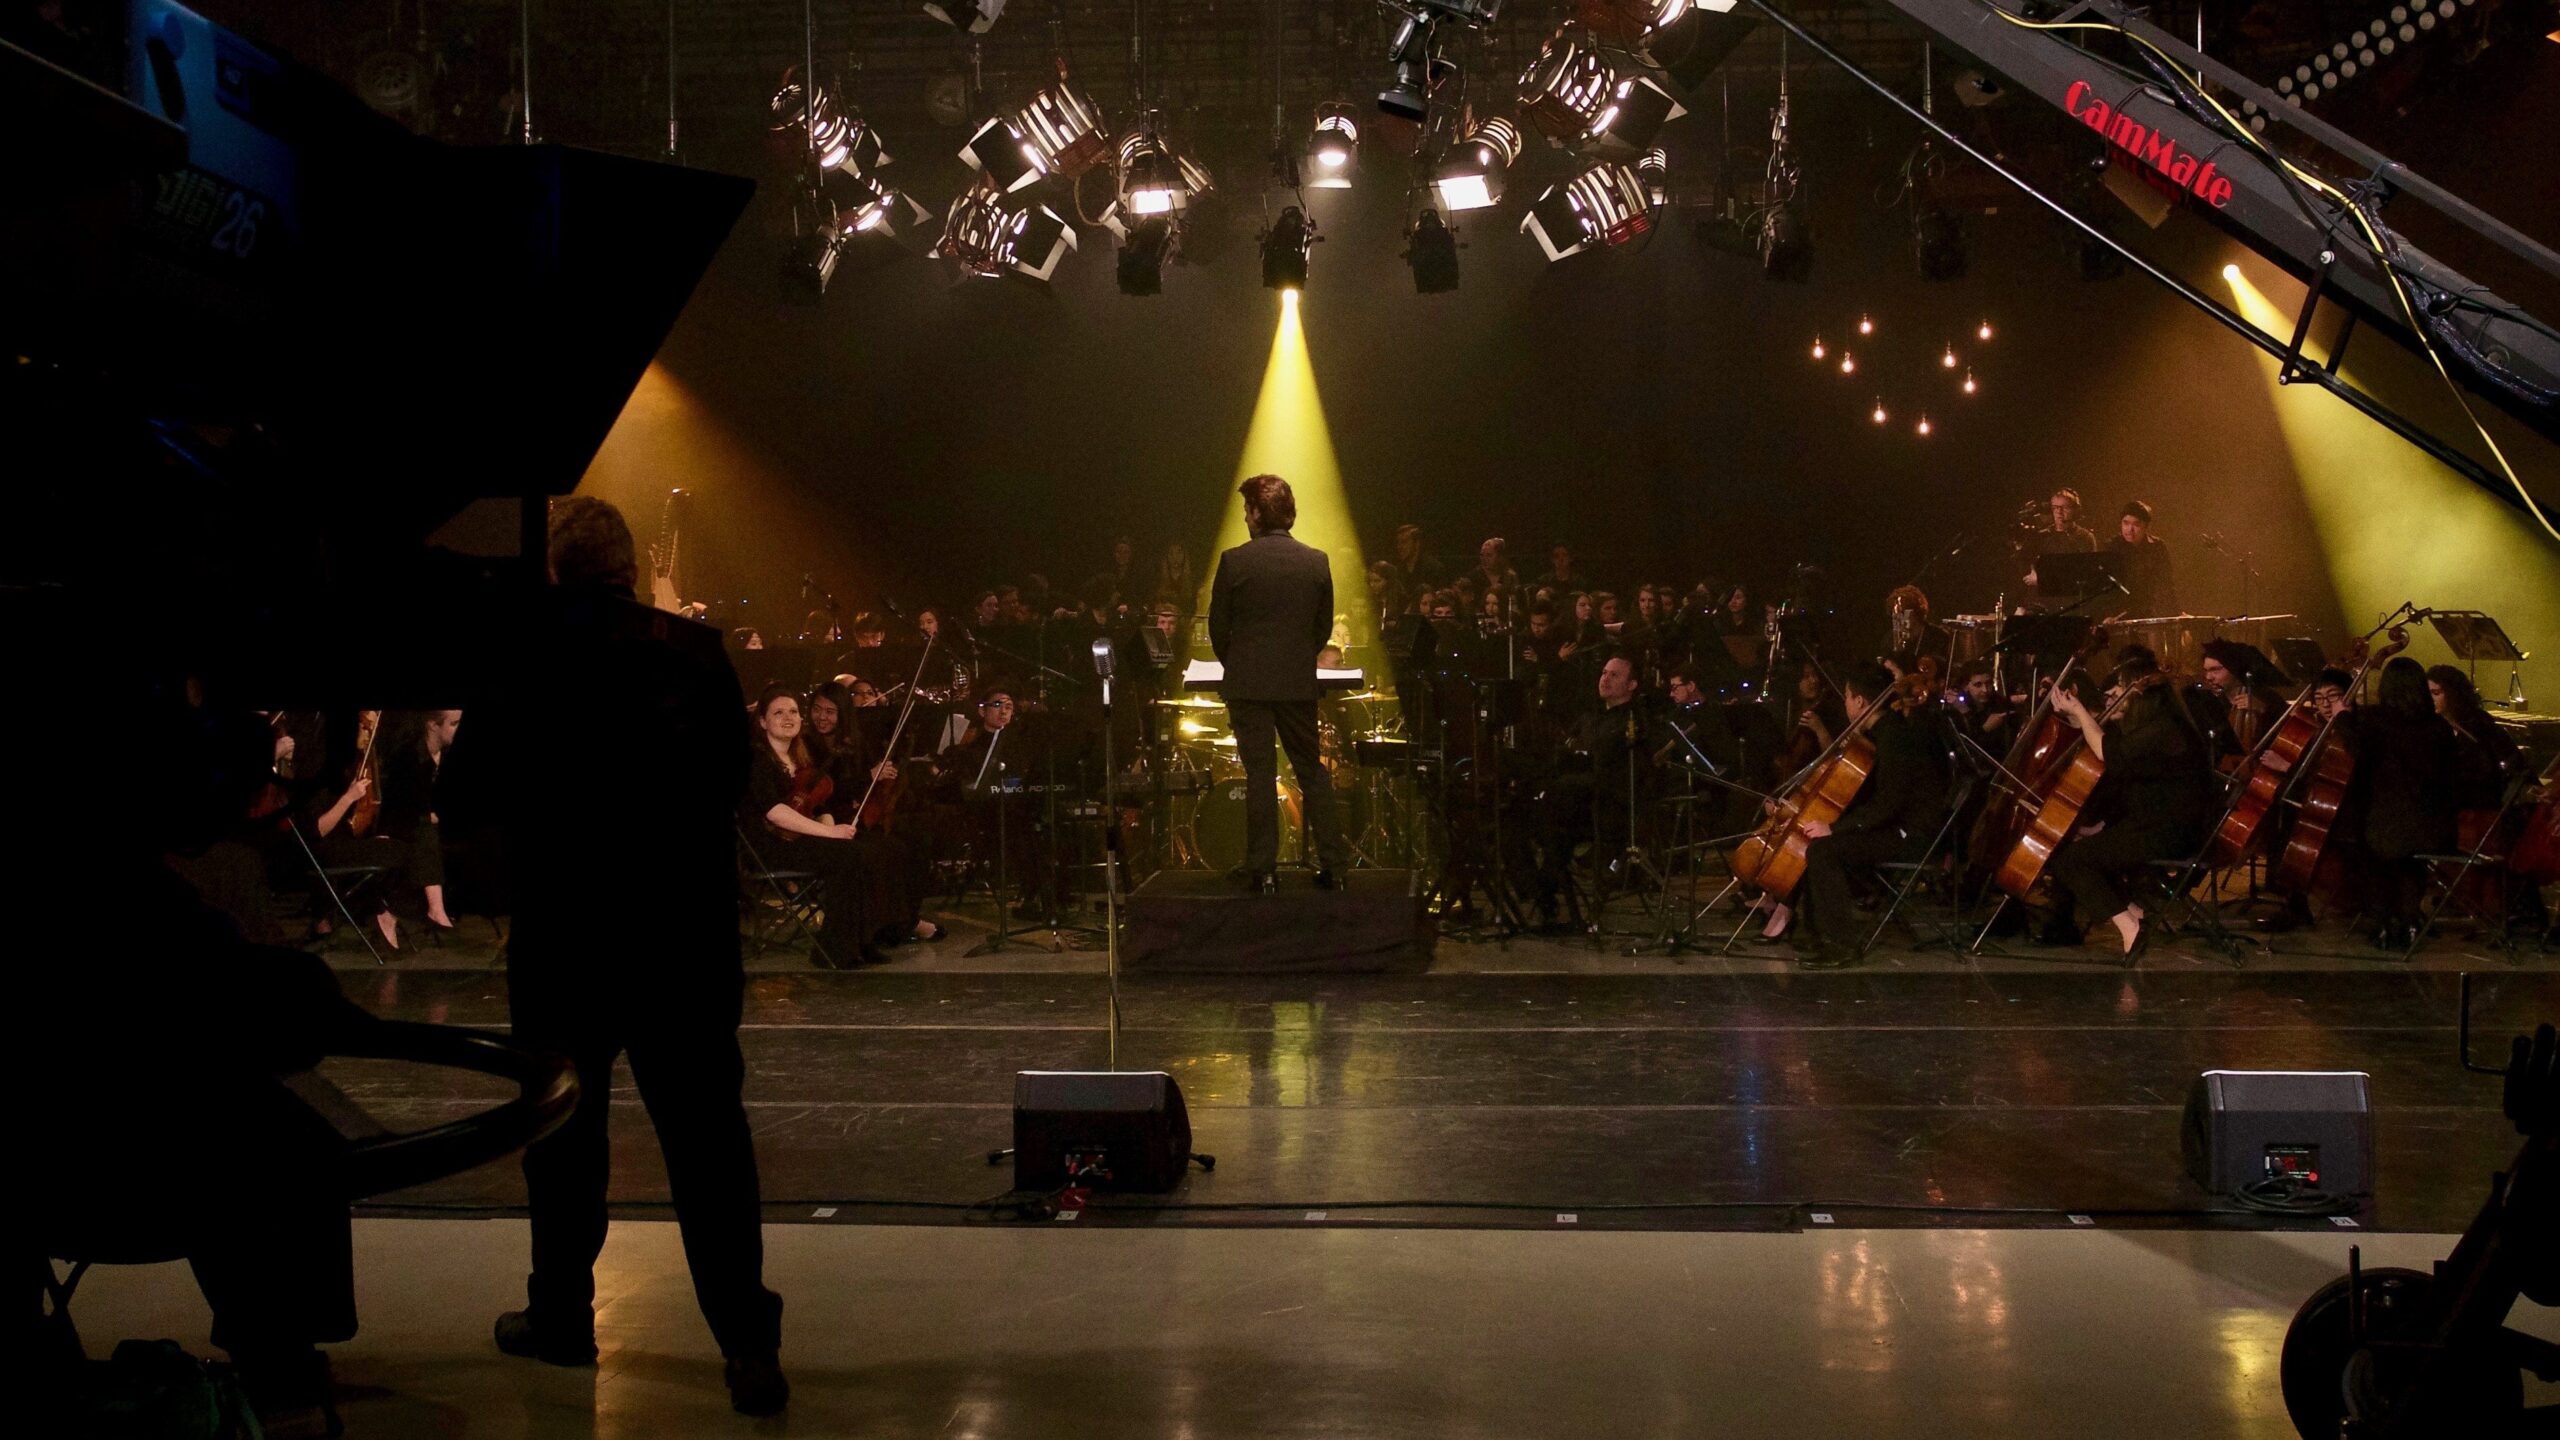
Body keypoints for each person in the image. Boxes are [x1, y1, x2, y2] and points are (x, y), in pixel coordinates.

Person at [436, 495, 787, 1415]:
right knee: (709, 1140)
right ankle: (747, 1344)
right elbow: (734, 784)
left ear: (552, 568)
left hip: (568, 932)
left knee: (561, 1136)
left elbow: (466, 793)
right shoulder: (695, 655)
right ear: (629, 567)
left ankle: (561, 1318)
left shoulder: (523, 655)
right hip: (683, 932)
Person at [1207, 474, 1351, 889]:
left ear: (1255, 512)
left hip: (1249, 683)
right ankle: (1335, 868)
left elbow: (1219, 629)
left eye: (1246, 510)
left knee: (1258, 774)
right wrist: (1294, 660)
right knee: (1311, 771)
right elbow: (1322, 627)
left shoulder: (1235, 561)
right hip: (1295, 681)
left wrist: (1239, 664)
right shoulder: (1316, 560)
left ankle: (1263, 870)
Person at [2043, 652, 2211, 958]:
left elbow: (2111, 755)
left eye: (2119, 691)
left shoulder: (2161, 731)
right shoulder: (2163, 726)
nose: (2112, 698)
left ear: (2139, 695)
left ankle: (2128, 926)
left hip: (2167, 833)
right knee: (2083, 850)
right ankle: (2135, 913)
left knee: (2069, 861)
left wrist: (2081, 712)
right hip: (2162, 826)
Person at [1790, 663, 1952, 969]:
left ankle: (1841, 943)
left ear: (1861, 701)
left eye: (1848, 698)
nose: (1846, 704)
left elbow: (1888, 804)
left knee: (1824, 850)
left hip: (1909, 835)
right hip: (1896, 826)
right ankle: (1814, 932)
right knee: (1820, 843)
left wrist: (1836, 828)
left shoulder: (1893, 738)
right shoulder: (1885, 732)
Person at [2355, 658, 2457, 948]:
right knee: (2412, 862)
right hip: (2434, 827)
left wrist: (2342, 719)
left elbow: (2360, 765)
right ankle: (2411, 920)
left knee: (2373, 852)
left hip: (2386, 824)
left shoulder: (2373, 721)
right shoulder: (2438, 726)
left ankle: (2383, 922)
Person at [2018, 486, 2099, 595]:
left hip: (2070, 600)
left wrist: (2044, 580)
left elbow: (2085, 574)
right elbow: (2025, 563)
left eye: (2065, 507)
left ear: (2076, 510)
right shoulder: (2041, 536)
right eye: (2055, 507)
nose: (2059, 512)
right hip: (2042, 601)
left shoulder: (2085, 537)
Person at [2104, 499, 2177, 617]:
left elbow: (2167, 583)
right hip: (2118, 613)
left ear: (2146, 526)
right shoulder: (2112, 546)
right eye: (2125, 523)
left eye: (2136, 524)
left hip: (2150, 610)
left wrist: (2176, 612)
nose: (2129, 529)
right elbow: (2106, 588)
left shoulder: (2157, 547)